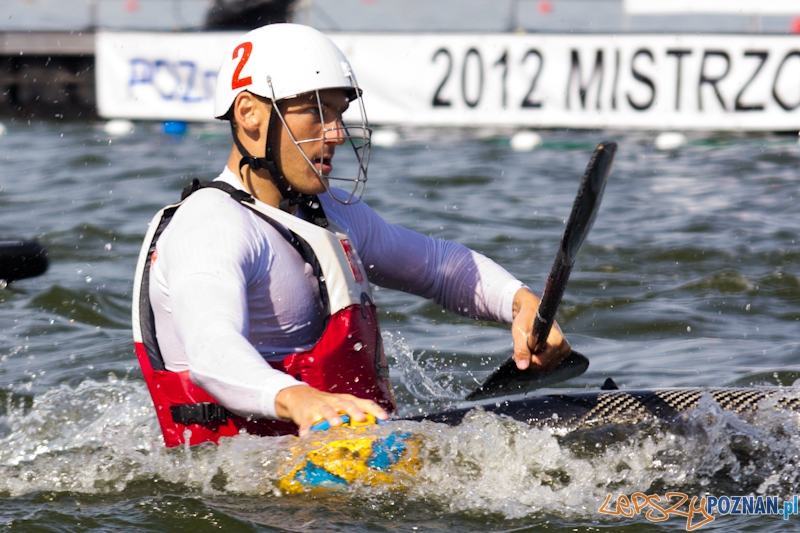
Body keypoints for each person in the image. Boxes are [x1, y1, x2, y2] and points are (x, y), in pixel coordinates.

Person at [132, 23, 570, 448]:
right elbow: (212, 351)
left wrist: (520, 302)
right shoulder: (211, 224)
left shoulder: (334, 213)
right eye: (317, 113)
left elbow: (442, 267)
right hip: (251, 491)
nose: (337, 134)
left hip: (346, 465)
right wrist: (299, 399)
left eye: (339, 113)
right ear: (249, 113)